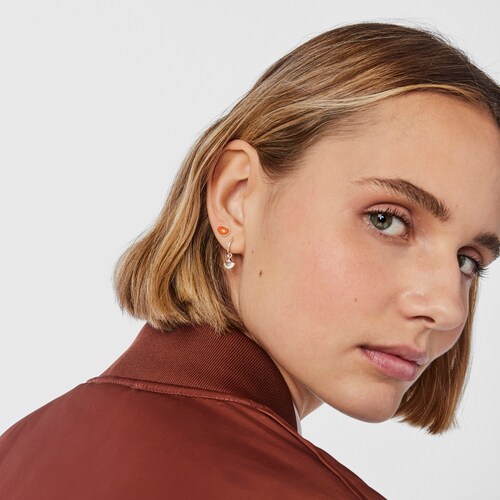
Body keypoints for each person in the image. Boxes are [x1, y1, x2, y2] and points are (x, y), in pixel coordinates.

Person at [1, 20, 499, 499]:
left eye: (468, 261)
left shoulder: (19, 451)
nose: (448, 308)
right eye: (386, 220)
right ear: (236, 198)